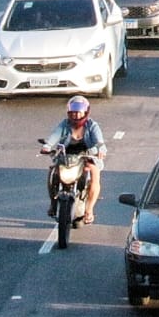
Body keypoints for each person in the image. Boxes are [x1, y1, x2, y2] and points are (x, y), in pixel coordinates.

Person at [42, 96, 105, 225]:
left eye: (79, 112)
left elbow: (99, 142)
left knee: (95, 173)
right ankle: (53, 204)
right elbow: (54, 135)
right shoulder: (64, 124)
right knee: (52, 172)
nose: (76, 115)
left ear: (86, 112)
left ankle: (89, 210)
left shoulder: (92, 126)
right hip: (66, 157)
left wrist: (100, 149)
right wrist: (47, 146)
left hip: (86, 157)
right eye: (73, 112)